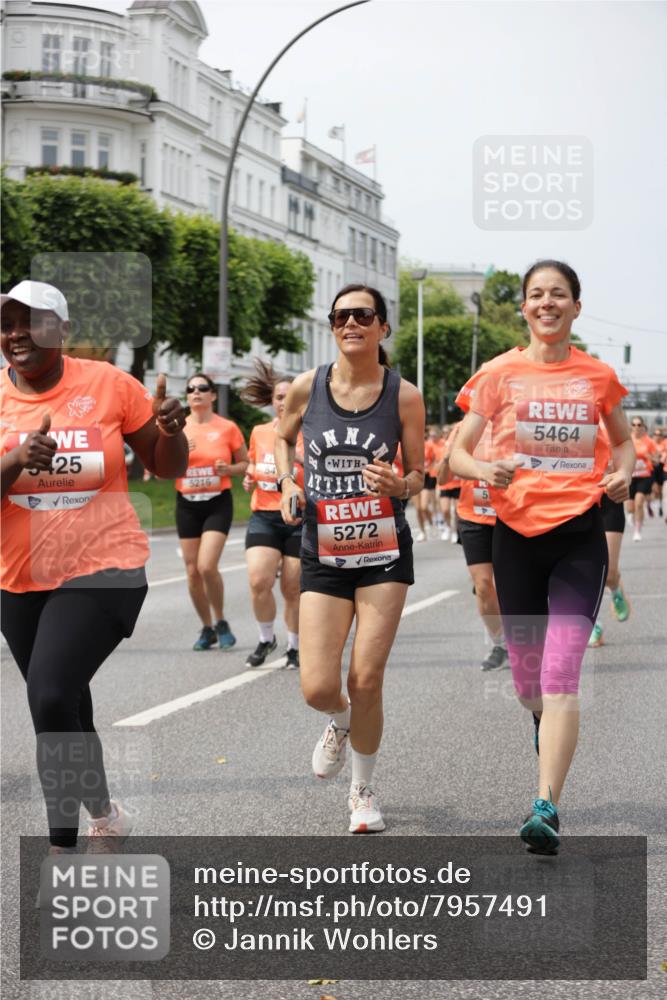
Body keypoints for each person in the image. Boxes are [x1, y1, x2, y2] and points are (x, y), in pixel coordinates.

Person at [450, 260, 635, 855]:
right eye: (536, 295)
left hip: (579, 535)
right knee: (530, 683)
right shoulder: (499, 373)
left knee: (560, 675)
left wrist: (624, 472)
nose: (547, 303)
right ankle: (540, 725)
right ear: (524, 308)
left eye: (559, 294)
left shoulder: (598, 376)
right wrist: (485, 468)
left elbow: (626, 441)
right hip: (516, 538)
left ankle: (546, 804)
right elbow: (457, 453)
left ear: (576, 307)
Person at [0, 280, 188, 855]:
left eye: (30, 323)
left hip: (106, 566)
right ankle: (105, 813)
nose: (15, 335)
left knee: (51, 694)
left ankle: (62, 847)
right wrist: (15, 459)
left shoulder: (108, 384)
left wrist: (173, 432)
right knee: (65, 701)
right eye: (7, 324)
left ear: (62, 330)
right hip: (18, 575)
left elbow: (162, 465)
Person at [275, 284, 425, 834]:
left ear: (383, 327)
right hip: (323, 547)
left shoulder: (403, 395)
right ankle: (338, 722)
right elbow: (278, 437)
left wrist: (399, 481)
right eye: (341, 316)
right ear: (332, 326)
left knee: (365, 678)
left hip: (383, 551)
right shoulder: (306, 387)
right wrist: (287, 479)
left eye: (363, 315)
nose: (351, 323)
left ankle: (362, 792)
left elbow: (419, 477)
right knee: (317, 685)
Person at [176, 373, 248, 650]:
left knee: (207, 566)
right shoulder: (178, 429)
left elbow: (245, 463)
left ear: (213, 395)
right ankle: (207, 628)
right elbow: (161, 470)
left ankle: (221, 620)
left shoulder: (227, 427)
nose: (196, 392)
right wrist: (179, 453)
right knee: (192, 571)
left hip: (217, 501)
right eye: (191, 388)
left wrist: (228, 470)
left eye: (203, 388)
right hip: (187, 502)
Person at [240, 360, 303, 669]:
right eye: (279, 397)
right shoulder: (260, 432)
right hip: (264, 514)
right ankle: (267, 638)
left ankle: (294, 646)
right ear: (272, 401)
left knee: (292, 587)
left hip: (300, 517)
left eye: (289, 396)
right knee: (258, 580)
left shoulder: (311, 432)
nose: (283, 402)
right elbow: (255, 464)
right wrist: (250, 475)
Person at [450, 375, 508, 671]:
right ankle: (499, 644)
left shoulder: (512, 427)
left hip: (510, 516)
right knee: (484, 586)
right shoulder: (464, 429)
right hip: (472, 515)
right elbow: (447, 468)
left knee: (512, 586)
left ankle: (527, 640)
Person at [588, 425, 631, 647]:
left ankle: (615, 588)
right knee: (583, 572)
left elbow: (626, 450)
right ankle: (593, 624)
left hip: (608, 498)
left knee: (609, 573)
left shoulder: (608, 420)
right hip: (578, 500)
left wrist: (622, 472)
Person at [625, 416, 659, 541]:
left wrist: (649, 456)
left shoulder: (649, 441)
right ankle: (630, 514)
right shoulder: (627, 440)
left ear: (643, 426)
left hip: (644, 476)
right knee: (630, 507)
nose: (636, 427)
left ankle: (637, 531)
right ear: (631, 427)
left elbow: (657, 461)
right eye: (634, 425)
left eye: (639, 425)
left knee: (639, 502)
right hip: (630, 476)